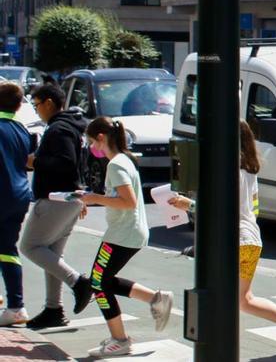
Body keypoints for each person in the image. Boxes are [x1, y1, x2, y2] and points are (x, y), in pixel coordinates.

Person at [168, 121, 276, 361]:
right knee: (243, 300)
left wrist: (189, 205)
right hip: (250, 239)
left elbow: (222, 212)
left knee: (228, 298)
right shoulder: (249, 169)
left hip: (233, 241)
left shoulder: (229, 172)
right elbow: (251, 208)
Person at [76, 117, 174, 357]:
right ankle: (156, 299)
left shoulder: (116, 165)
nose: (91, 148)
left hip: (123, 234)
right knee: (104, 280)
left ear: (101, 138)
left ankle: (120, 339)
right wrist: (90, 197)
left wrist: (94, 199)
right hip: (128, 232)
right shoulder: (124, 160)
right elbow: (120, 197)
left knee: (98, 284)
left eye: (91, 142)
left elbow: (127, 201)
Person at [19, 84, 94, 329]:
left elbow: (65, 162)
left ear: (49, 103)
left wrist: (36, 161)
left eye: (37, 104)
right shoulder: (73, 126)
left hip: (56, 199)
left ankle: (78, 283)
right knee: (51, 253)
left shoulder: (59, 129)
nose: (36, 109)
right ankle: (54, 309)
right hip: (70, 198)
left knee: (30, 246)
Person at [0, 82, 33, 327]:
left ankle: (14, 306)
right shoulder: (21, 129)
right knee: (7, 250)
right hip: (19, 196)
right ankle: (16, 306)